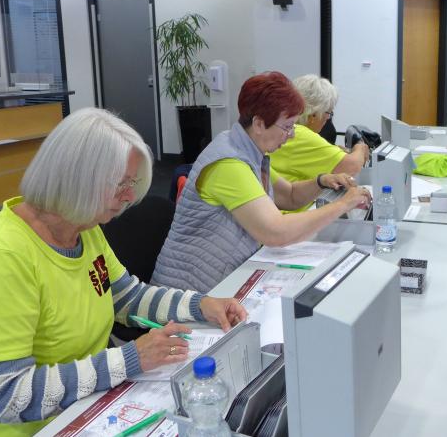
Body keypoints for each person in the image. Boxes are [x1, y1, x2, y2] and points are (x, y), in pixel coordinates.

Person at [0, 108, 248, 437]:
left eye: (132, 183)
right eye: (120, 184)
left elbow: (127, 297)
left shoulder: (83, 227)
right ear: (76, 178)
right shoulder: (2, 255)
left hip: (82, 411)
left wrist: (201, 305)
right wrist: (128, 359)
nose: (129, 196)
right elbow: (0, 396)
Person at [152, 71, 371, 293]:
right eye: (287, 127)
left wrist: (321, 182)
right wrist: (343, 204)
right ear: (258, 124)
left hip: (221, 280)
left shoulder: (247, 150)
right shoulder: (229, 164)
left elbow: (289, 195)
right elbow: (276, 232)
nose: (292, 135)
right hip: (189, 294)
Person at [270, 74, 369, 211]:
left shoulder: (287, 131)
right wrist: (360, 147)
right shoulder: (299, 134)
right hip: (294, 214)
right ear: (314, 113)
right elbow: (351, 166)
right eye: (328, 112)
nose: (328, 118)